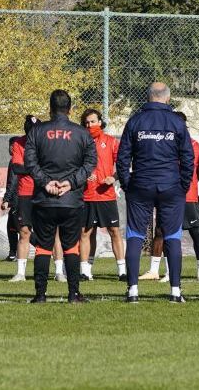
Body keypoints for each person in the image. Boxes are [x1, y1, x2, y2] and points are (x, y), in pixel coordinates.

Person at [117, 82, 194, 304]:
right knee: (172, 236)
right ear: (167, 99)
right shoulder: (177, 122)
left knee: (134, 235)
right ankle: (176, 291)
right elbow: (188, 157)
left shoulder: (135, 121)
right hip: (170, 186)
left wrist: (127, 184)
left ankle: (132, 291)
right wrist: (183, 185)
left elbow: (123, 157)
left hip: (141, 184)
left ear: (149, 97)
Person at [22, 90, 97, 303]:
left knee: (44, 246)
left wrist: (46, 182)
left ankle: (40, 295)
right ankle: (73, 294)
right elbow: (90, 163)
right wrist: (71, 182)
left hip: (44, 200)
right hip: (71, 200)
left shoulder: (37, 132)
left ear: (50, 108)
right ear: (70, 109)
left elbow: (30, 162)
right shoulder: (82, 134)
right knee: (71, 246)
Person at [79, 109, 126, 282]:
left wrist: (112, 178)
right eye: (86, 122)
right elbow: (73, 166)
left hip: (106, 196)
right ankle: (85, 271)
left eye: (92, 121)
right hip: (87, 195)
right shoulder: (81, 142)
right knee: (85, 233)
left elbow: (122, 164)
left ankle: (122, 271)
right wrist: (84, 174)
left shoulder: (111, 142)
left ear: (100, 122)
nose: (89, 125)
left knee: (114, 231)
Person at [174, 111, 199, 282]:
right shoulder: (166, 143)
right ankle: (169, 272)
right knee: (168, 233)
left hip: (189, 196)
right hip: (170, 196)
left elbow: (194, 171)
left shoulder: (193, 144)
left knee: (197, 232)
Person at [9, 115, 39, 282]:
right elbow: (17, 167)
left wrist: (30, 168)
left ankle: (59, 271)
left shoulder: (44, 142)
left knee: (53, 233)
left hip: (43, 192)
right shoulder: (19, 143)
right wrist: (35, 169)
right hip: (25, 193)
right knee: (24, 231)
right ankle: (20, 273)